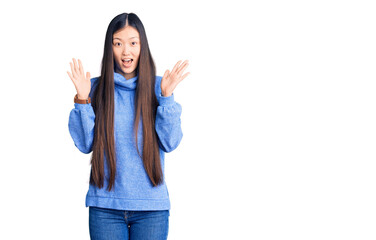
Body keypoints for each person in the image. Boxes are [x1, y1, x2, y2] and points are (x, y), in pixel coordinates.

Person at [67, 12, 189, 240]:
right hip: (105, 208)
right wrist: (82, 100)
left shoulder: (158, 87)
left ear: (142, 46)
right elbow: (85, 145)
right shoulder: (94, 88)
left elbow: (170, 143)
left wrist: (167, 97)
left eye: (133, 43)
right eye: (118, 43)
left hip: (151, 209)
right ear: (109, 48)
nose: (126, 51)